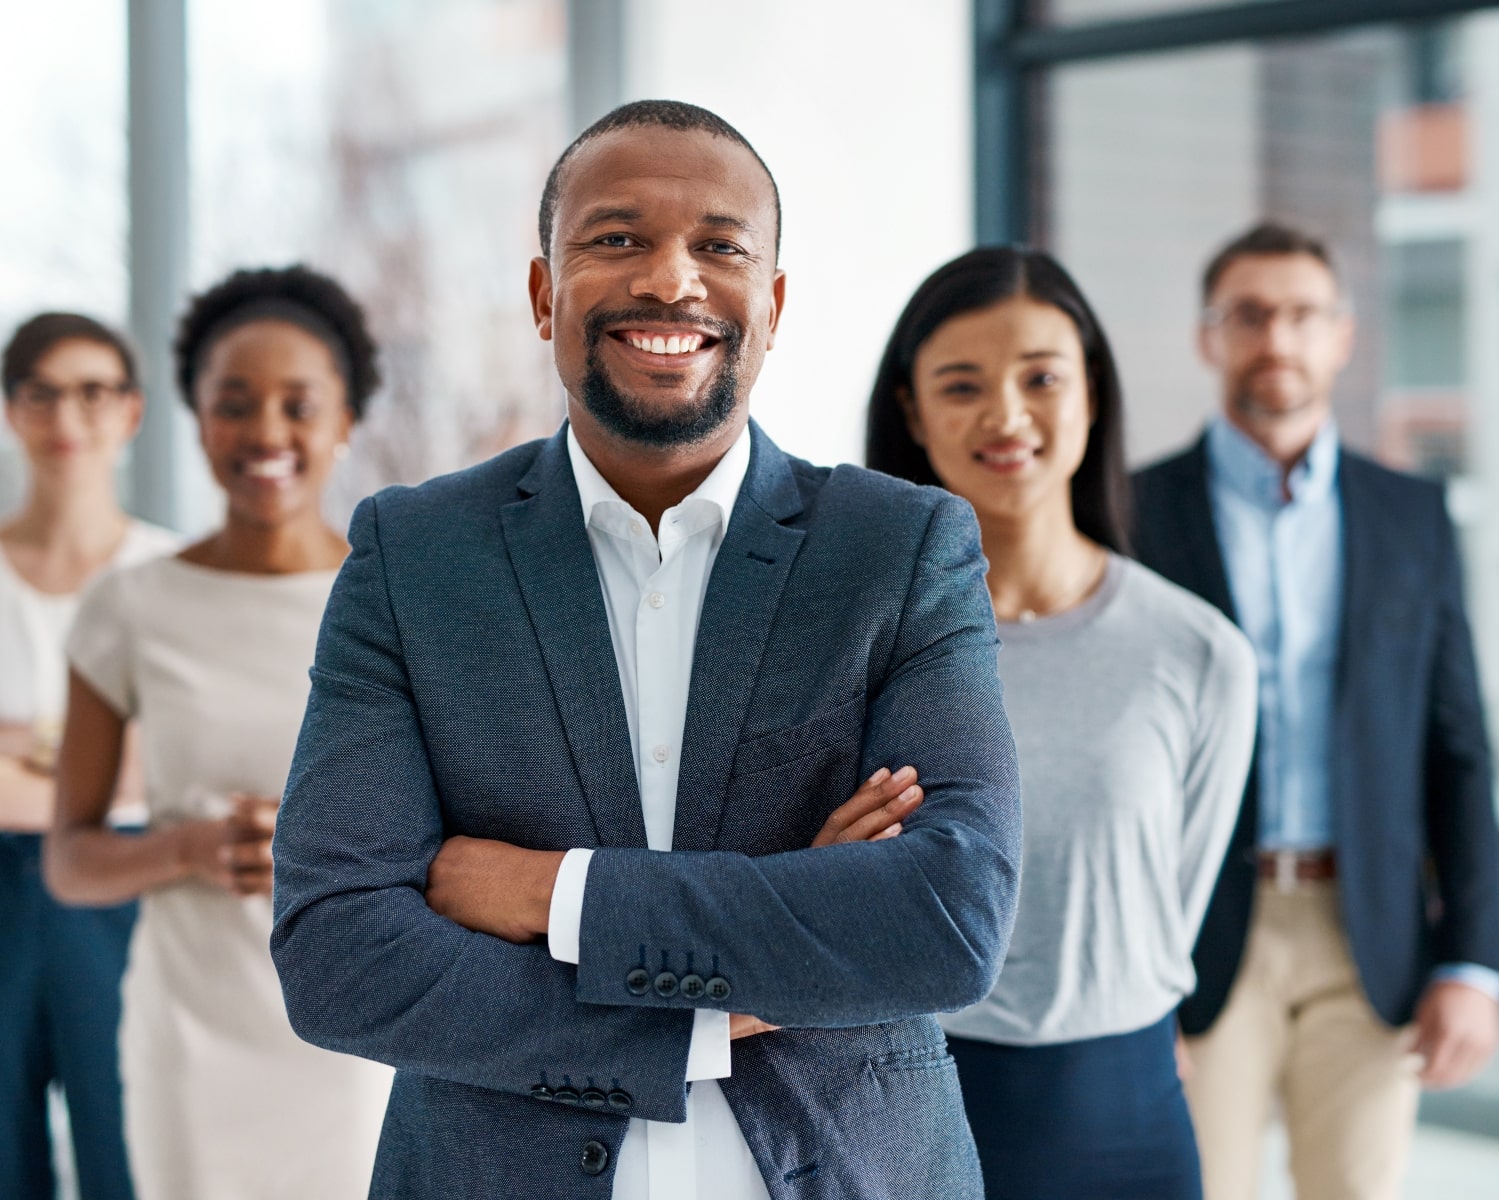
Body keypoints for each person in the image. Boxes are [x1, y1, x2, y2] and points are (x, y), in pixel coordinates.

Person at [269, 100, 1021, 1199]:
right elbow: (339, 956)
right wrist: (744, 981)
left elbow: (946, 919)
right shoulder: (414, 555)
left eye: (719, 246)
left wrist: (550, 895)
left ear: (769, 305)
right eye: (615, 239)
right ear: (543, 295)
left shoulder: (899, 549)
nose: (671, 281)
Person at [865, 245, 1257, 1199]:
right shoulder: (858, 649)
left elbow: (1172, 912)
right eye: (961, 385)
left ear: (1091, 391)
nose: (1005, 416)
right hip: (905, 1108)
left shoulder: (1197, 651)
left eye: (1041, 377)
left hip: (1127, 1119)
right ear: (914, 413)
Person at [1133, 221, 1499, 1200]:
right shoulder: (1132, 513)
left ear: (1341, 336)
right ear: (1209, 337)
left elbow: (1457, 748)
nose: (1276, 340)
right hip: (1191, 939)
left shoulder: (1409, 514)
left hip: (1368, 936)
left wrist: (1472, 958)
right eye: (1248, 315)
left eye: (1301, 316)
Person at [45, 267, 395, 1200]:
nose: (265, 433)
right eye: (233, 403)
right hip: (188, 1037)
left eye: (298, 404)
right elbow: (69, 861)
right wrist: (189, 848)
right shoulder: (132, 605)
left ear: (345, 420)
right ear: (196, 418)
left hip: (356, 1039)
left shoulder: (396, 602)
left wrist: (332, 850)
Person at [0, 314, 179, 1200]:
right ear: (11, 412)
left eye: (92, 390)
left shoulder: (173, 575)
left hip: (126, 891)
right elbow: (131, 763)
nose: (67, 414)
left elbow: (186, 762)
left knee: (129, 1150)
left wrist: (20, 751)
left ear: (131, 412)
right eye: (41, 391)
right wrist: (97, 750)